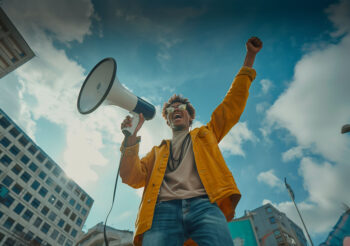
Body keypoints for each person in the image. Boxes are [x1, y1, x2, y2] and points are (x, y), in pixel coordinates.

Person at [120, 37, 263, 246]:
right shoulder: (156, 153)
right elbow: (131, 177)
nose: (176, 110)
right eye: (170, 110)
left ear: (190, 117)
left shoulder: (207, 134)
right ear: (168, 120)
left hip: (204, 206)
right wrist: (130, 138)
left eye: (181, 108)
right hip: (161, 213)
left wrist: (249, 58)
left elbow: (232, 105)